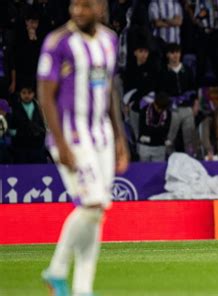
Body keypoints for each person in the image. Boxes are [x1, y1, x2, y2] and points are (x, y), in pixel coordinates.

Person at [37, 0, 129, 295]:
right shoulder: (58, 42)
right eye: (75, 5)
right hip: (72, 137)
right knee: (92, 205)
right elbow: (45, 94)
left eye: (86, 6)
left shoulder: (109, 40)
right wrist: (59, 141)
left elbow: (109, 90)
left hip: (101, 136)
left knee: (97, 212)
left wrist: (119, 139)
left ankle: (82, 289)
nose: (78, 11)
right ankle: (56, 270)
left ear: (100, 8)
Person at [159, 43, 197, 156]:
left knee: (189, 137)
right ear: (167, 55)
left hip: (187, 108)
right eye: (172, 53)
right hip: (172, 109)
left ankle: (190, 161)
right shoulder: (163, 72)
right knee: (170, 137)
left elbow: (193, 88)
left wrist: (195, 104)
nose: (175, 55)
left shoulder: (187, 69)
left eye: (177, 52)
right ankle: (170, 158)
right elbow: (161, 91)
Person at [10, 84, 47, 163]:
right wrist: (18, 134)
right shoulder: (15, 107)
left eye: (29, 93)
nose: (27, 95)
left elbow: (43, 124)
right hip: (21, 146)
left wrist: (41, 133)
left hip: (37, 145)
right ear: (20, 94)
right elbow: (11, 127)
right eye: (24, 93)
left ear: (33, 94)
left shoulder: (39, 107)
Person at [137, 92, 172, 162]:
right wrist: (157, 131)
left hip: (159, 147)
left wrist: (152, 131)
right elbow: (143, 129)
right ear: (154, 103)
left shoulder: (167, 113)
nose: (160, 111)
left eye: (162, 109)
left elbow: (165, 130)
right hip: (145, 146)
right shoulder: (145, 111)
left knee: (158, 170)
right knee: (144, 170)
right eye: (159, 108)